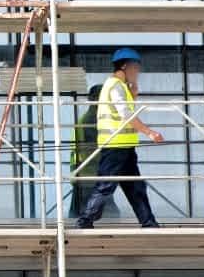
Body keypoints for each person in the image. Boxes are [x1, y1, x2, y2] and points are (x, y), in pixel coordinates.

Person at [74, 48, 164, 229]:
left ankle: (149, 223)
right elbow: (125, 114)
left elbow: (123, 109)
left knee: (135, 188)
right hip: (115, 146)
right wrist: (149, 132)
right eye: (135, 68)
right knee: (106, 186)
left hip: (125, 147)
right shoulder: (114, 85)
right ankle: (85, 220)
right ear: (125, 66)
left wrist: (134, 95)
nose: (137, 72)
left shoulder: (121, 87)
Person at [69, 84, 103, 218]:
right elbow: (90, 151)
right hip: (89, 174)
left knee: (81, 212)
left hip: (84, 174)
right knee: (94, 213)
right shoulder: (92, 121)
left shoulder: (87, 119)